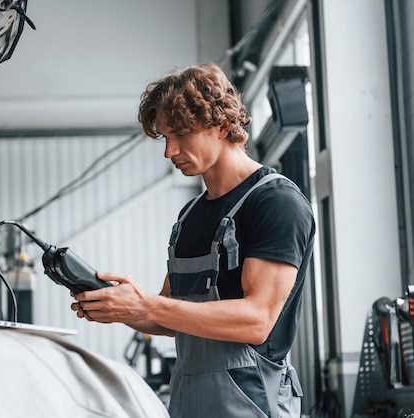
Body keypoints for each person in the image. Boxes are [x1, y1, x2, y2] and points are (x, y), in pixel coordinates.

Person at [70, 63, 316, 418]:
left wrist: (147, 305)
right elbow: (171, 317)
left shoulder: (275, 202)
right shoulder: (189, 217)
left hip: (252, 403)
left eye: (181, 134)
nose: (169, 151)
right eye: (165, 137)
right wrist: (117, 307)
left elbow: (257, 320)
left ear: (224, 125)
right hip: (189, 403)